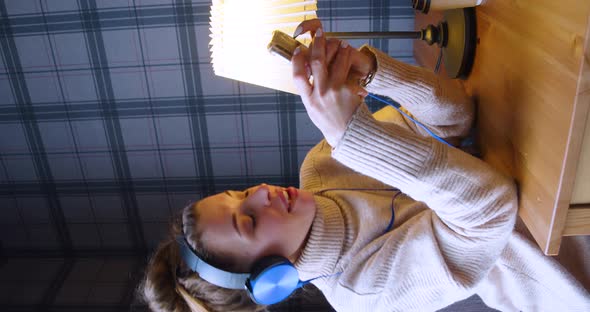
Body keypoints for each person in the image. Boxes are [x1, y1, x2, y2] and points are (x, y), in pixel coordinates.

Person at [139, 19, 590, 312]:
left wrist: (371, 72)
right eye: (250, 220)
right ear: (271, 279)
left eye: (239, 194)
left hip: (550, 163)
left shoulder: (321, 168)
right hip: (573, 245)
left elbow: (456, 117)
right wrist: (354, 137)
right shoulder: (364, 293)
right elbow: (492, 211)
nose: (261, 194)